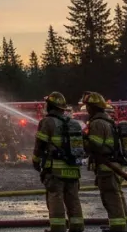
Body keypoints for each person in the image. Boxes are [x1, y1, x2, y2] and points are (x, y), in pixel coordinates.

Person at [32, 92, 84, 232]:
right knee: (73, 200)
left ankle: (58, 229)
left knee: (56, 199)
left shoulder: (47, 122)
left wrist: (36, 161)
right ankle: (77, 227)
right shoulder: (74, 123)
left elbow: (40, 145)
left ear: (50, 106)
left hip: (55, 170)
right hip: (73, 169)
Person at [81, 91, 127, 232]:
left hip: (107, 166)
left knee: (110, 198)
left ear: (93, 107)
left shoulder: (97, 123)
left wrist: (83, 139)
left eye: (88, 106)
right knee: (117, 195)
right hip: (114, 164)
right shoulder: (108, 121)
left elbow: (95, 145)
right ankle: (123, 225)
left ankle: (118, 228)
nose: (87, 109)